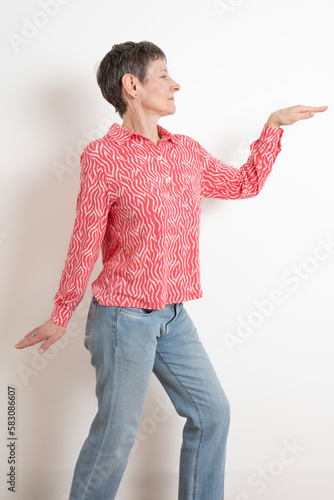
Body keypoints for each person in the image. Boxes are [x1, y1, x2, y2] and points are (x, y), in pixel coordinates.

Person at [15, 40, 327, 500]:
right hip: (123, 318)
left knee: (212, 413)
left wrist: (273, 127)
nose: (175, 82)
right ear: (132, 85)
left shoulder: (186, 152)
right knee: (117, 437)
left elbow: (244, 184)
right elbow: (85, 241)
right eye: (163, 74)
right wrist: (62, 313)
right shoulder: (103, 158)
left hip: (173, 318)